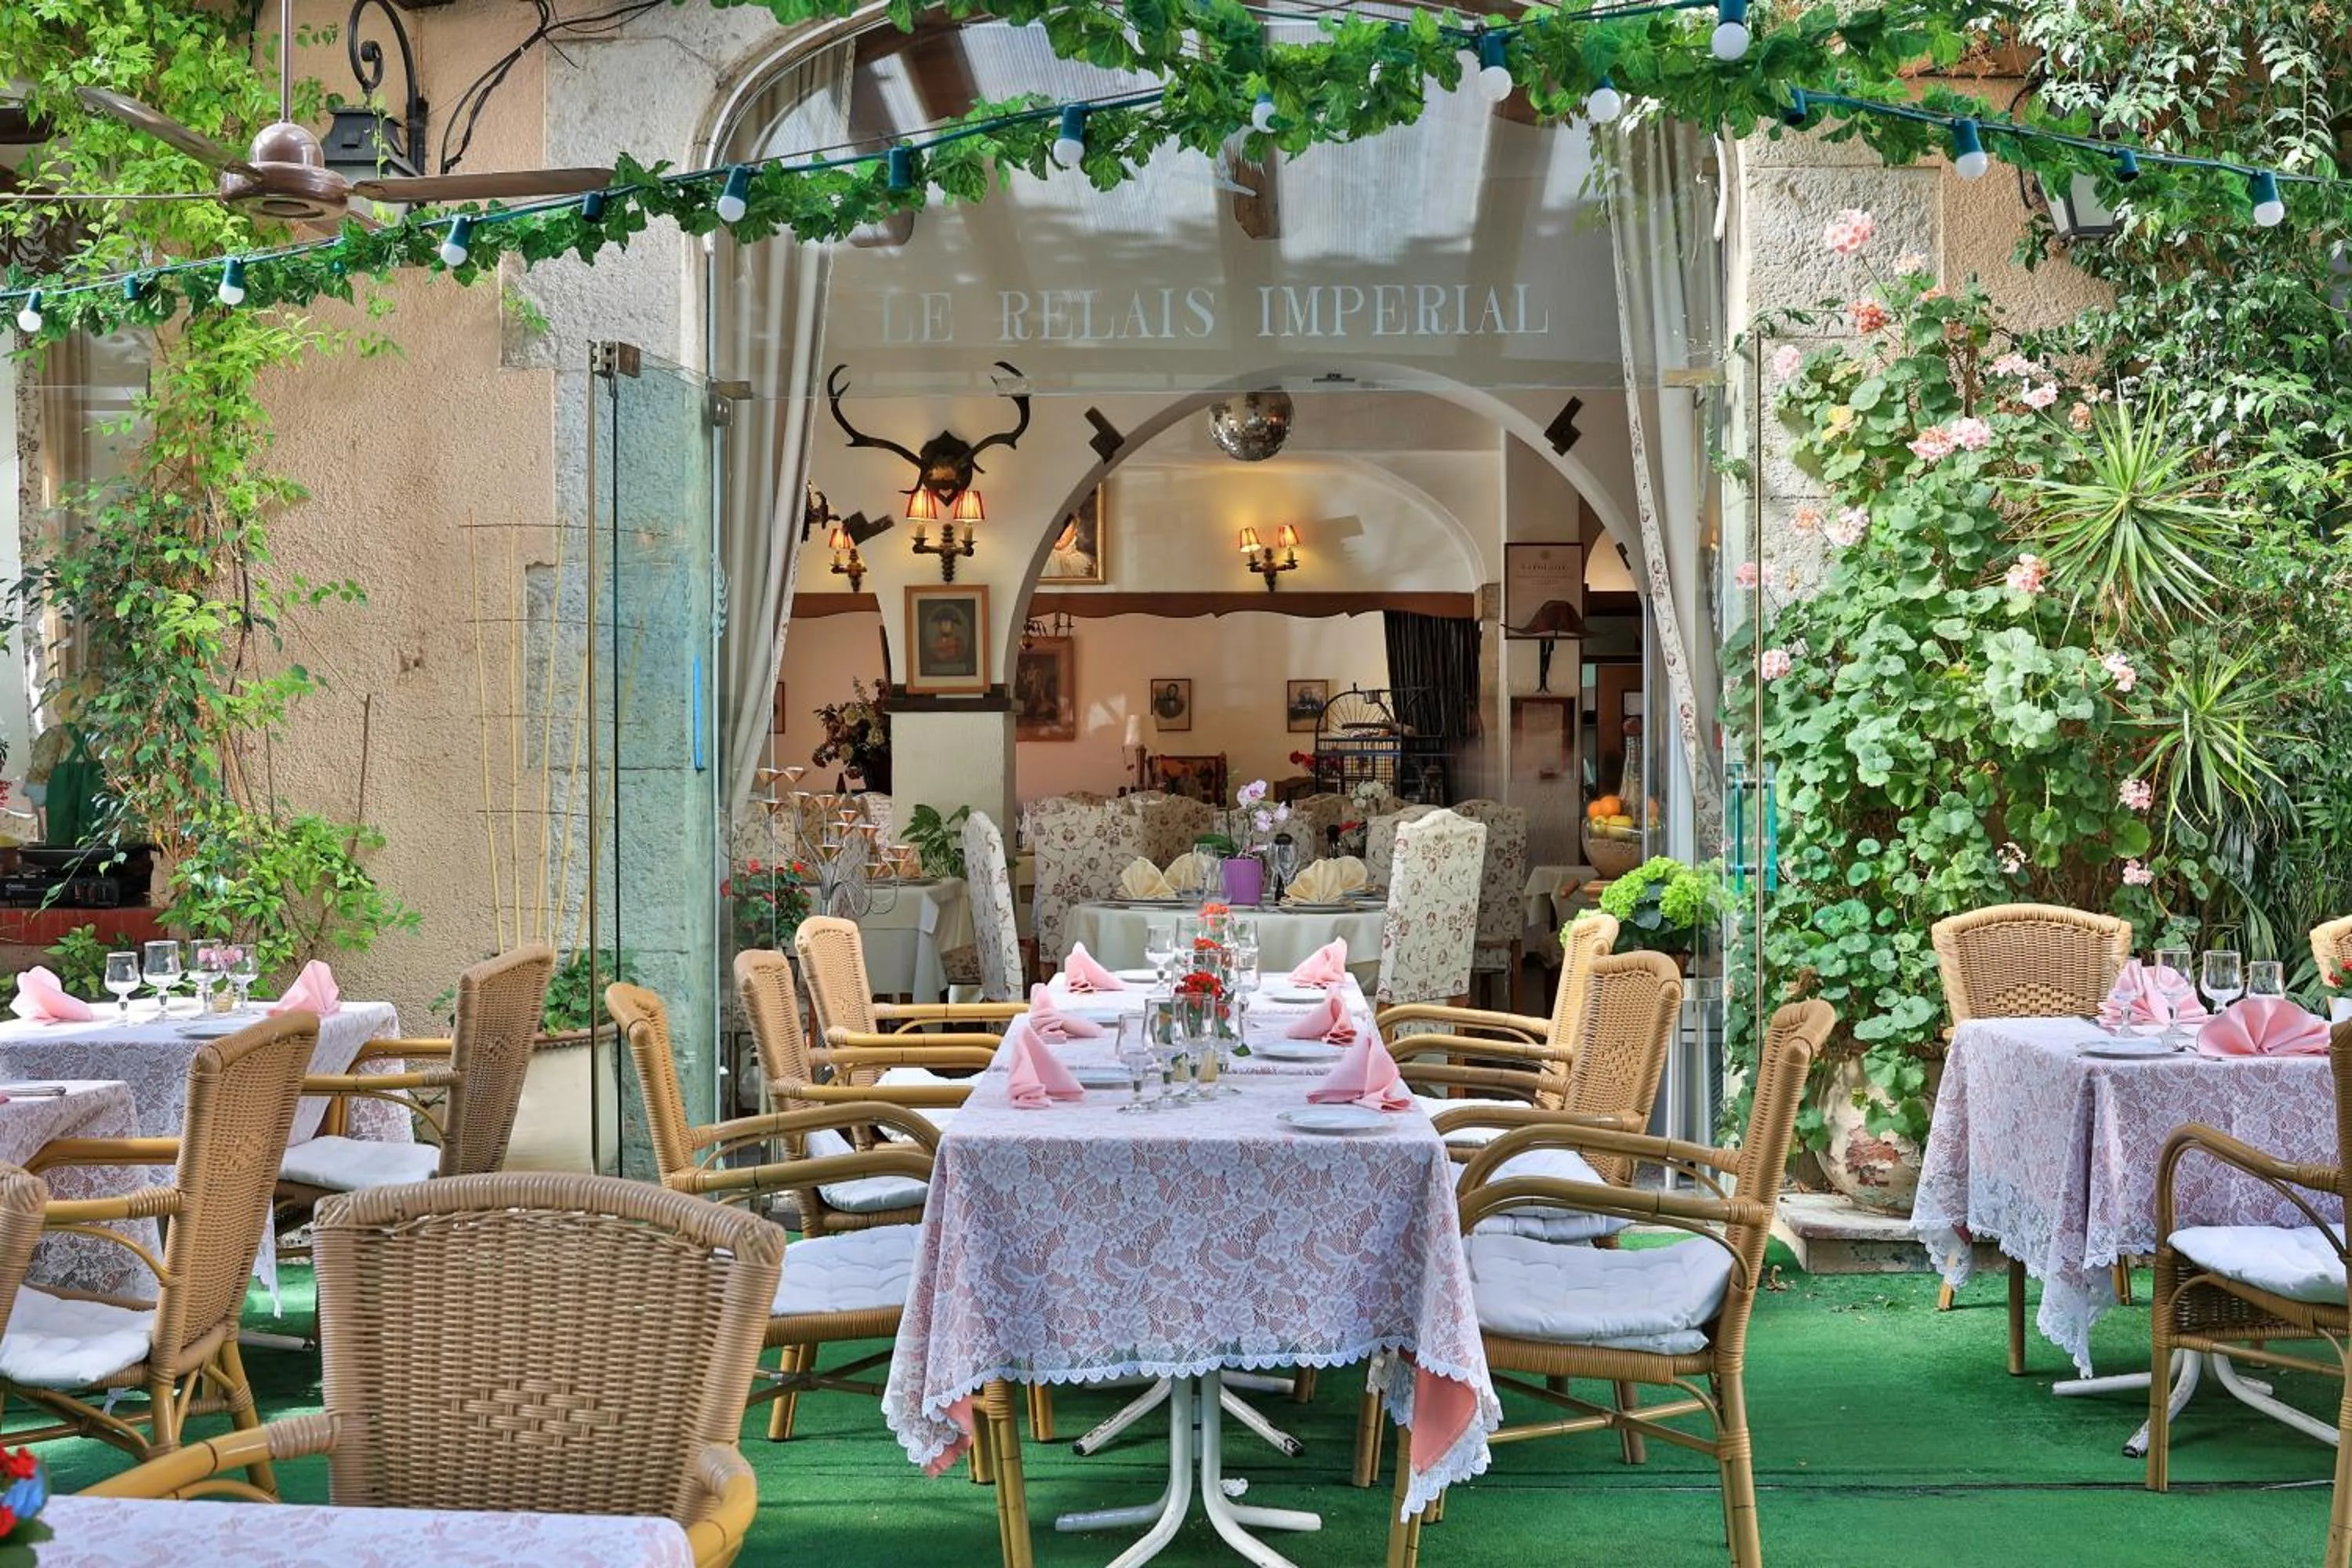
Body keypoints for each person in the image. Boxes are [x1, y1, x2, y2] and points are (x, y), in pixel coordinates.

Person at [924, 607, 972, 674]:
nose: (946, 626)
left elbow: (959, 653)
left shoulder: (958, 643)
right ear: (940, 626)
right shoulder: (935, 643)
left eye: (948, 623)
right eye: (943, 624)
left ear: (952, 626)